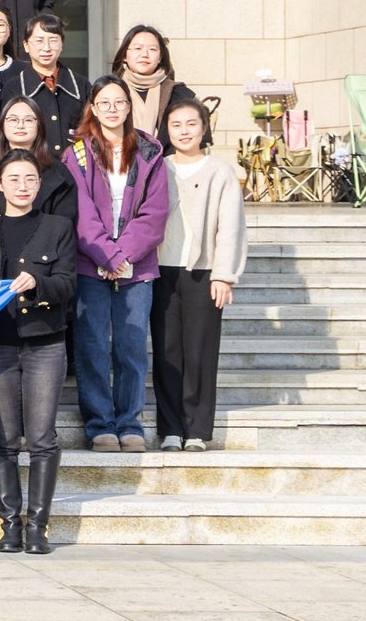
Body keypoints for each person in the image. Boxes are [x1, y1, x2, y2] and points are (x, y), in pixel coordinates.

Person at [65, 77, 171, 452]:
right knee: (92, 344)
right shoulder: (76, 154)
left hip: (137, 267)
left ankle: (130, 423)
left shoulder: (149, 151)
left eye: (119, 102)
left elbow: (154, 213)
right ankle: (99, 425)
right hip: (90, 264)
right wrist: (106, 255)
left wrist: (124, 254)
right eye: (104, 102)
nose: (112, 109)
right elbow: (79, 212)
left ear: (129, 107)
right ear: (92, 107)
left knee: (130, 346)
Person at [0, 149, 78, 554]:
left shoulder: (58, 227)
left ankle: (37, 525)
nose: (23, 187)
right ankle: (10, 526)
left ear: (40, 185)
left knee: (41, 438)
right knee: (3, 439)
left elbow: (69, 283)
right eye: (14, 179)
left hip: (45, 343)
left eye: (30, 179)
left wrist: (37, 283)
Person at [153, 98, 245, 452]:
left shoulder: (219, 171)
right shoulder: (158, 168)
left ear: (204, 128)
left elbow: (231, 227)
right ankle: (171, 429)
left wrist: (224, 275)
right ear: (168, 130)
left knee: (200, 352)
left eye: (192, 124)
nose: (184, 131)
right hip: (161, 271)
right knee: (167, 351)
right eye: (176, 125)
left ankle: (197, 430)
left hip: (203, 273)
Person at [0, 12, 88, 151]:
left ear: (62, 44)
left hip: (75, 167)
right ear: (26, 45)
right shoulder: (14, 87)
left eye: (53, 40)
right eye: (39, 41)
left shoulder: (81, 85)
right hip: (33, 167)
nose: (46, 48)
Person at [111, 24, 194, 142]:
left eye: (152, 49)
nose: (144, 54)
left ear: (160, 57)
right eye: (138, 48)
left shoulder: (179, 94)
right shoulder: (110, 90)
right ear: (125, 55)